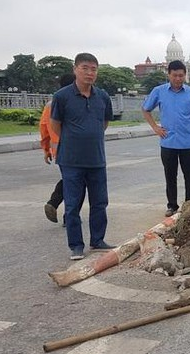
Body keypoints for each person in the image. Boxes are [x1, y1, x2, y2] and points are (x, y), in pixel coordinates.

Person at [50, 53, 115, 260]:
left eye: (94, 69)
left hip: (96, 159)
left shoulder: (102, 96)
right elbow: (55, 125)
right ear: (75, 69)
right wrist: (74, 140)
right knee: (72, 205)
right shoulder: (62, 96)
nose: (89, 73)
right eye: (85, 68)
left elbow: (104, 123)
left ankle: (98, 240)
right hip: (71, 161)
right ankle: (76, 246)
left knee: (99, 202)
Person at [142, 60, 190, 217]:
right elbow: (146, 109)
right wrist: (155, 128)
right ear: (168, 74)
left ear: (185, 75)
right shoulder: (159, 91)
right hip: (168, 143)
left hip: (188, 144)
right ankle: (172, 205)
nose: (178, 79)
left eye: (181, 75)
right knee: (170, 176)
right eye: (175, 75)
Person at [41, 73, 77, 224]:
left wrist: (46, 150)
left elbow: (43, 128)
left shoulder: (50, 104)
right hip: (75, 149)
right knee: (74, 182)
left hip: (58, 150)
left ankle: (55, 204)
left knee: (70, 180)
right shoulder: (74, 101)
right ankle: (66, 213)